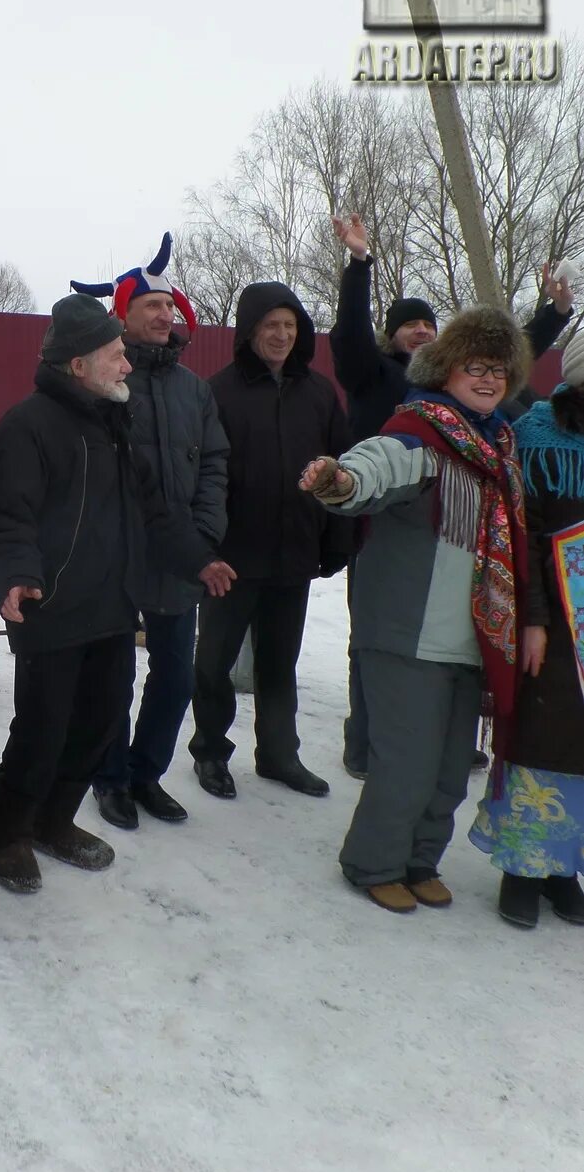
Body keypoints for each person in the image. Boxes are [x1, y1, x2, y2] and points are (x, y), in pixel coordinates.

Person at [0, 293, 236, 894]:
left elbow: (156, 513)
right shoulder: (27, 427)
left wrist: (201, 559)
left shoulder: (116, 425)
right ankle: (6, 832)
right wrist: (15, 574)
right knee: (42, 732)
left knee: (96, 728)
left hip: (113, 607)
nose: (127, 366)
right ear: (78, 364)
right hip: (53, 607)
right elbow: (7, 518)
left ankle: (54, 821)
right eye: (116, 356)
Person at [301, 306, 531, 913]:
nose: (487, 380)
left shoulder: (501, 447)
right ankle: (372, 862)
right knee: (404, 764)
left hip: (472, 637)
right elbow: (379, 464)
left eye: (498, 371)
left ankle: (419, 860)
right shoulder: (421, 434)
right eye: (475, 367)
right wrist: (341, 480)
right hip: (409, 632)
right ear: (445, 370)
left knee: (451, 773)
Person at [329, 213, 574, 779]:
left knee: (453, 637)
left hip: (455, 530)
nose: (420, 330)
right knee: (380, 643)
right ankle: (365, 742)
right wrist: (360, 265)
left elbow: (507, 356)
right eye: (409, 324)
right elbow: (346, 338)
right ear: (393, 336)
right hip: (383, 517)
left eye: (428, 324)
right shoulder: (379, 377)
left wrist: (555, 313)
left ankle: (445, 738)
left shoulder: (468, 396)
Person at [66, 234, 229, 830]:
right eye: (151, 307)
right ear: (123, 317)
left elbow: (214, 462)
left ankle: (146, 775)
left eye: (170, 306)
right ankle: (107, 778)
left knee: (176, 676)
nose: (166, 315)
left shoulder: (195, 390)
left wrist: (205, 531)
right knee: (113, 677)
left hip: (180, 555)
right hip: (118, 559)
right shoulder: (106, 383)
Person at [188, 281, 353, 803]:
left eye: (290, 325)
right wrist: (204, 547)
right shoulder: (217, 392)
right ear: (250, 332)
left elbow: (343, 471)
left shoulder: (320, 393)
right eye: (270, 326)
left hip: (294, 552)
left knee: (279, 664)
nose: (282, 335)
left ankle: (279, 755)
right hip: (231, 557)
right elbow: (201, 477)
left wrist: (335, 542)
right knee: (214, 663)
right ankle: (211, 752)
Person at [470, 328, 584, 928]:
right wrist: (534, 623)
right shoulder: (538, 437)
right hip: (555, 623)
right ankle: (522, 867)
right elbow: (525, 539)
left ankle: (565, 869)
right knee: (541, 736)